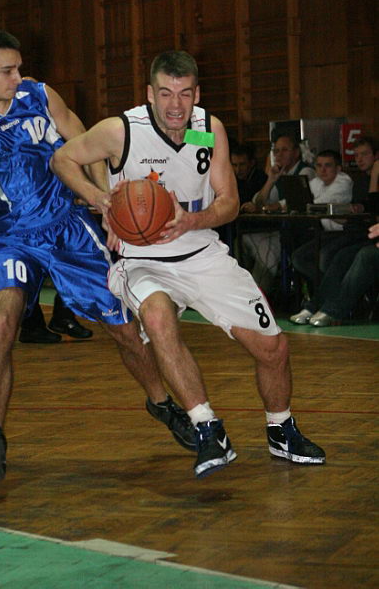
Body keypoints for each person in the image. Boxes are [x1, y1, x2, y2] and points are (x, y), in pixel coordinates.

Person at [51, 49, 325, 478]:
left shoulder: (207, 130)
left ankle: (280, 430)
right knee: (158, 318)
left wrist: (192, 221)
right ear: (150, 93)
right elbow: (62, 158)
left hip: (201, 251)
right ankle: (207, 427)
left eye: (184, 94)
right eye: (165, 93)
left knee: (273, 348)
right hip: (141, 259)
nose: (175, 105)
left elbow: (229, 202)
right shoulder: (120, 130)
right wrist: (101, 200)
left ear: (197, 94)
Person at [0, 28, 193, 482]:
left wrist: (106, 202)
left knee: (124, 329)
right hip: (11, 237)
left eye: (19, 68)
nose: (18, 77)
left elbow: (87, 145)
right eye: (7, 70)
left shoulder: (39, 95)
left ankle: (161, 403)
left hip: (67, 227)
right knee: (2, 322)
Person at [240, 134, 315, 295]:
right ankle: (248, 291)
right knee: (243, 242)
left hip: (301, 233)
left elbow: (296, 200)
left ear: (296, 153)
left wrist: (269, 207)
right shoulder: (279, 174)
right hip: (280, 230)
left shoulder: (306, 171)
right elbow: (259, 202)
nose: (279, 154)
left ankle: (256, 296)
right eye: (276, 151)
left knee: (267, 252)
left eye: (284, 150)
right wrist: (271, 180)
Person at [289, 150, 353, 297]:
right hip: (326, 234)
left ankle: (330, 296)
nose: (323, 170)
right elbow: (300, 199)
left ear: (338, 168)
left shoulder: (344, 181)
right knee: (298, 257)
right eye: (319, 166)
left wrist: (300, 204)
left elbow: (319, 203)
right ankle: (329, 293)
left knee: (323, 257)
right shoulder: (316, 182)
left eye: (328, 165)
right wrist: (278, 205)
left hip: (346, 233)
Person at [230, 143, 267, 209]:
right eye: (235, 165)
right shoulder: (231, 179)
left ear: (252, 163)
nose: (238, 170)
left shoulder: (261, 178)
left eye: (242, 164)